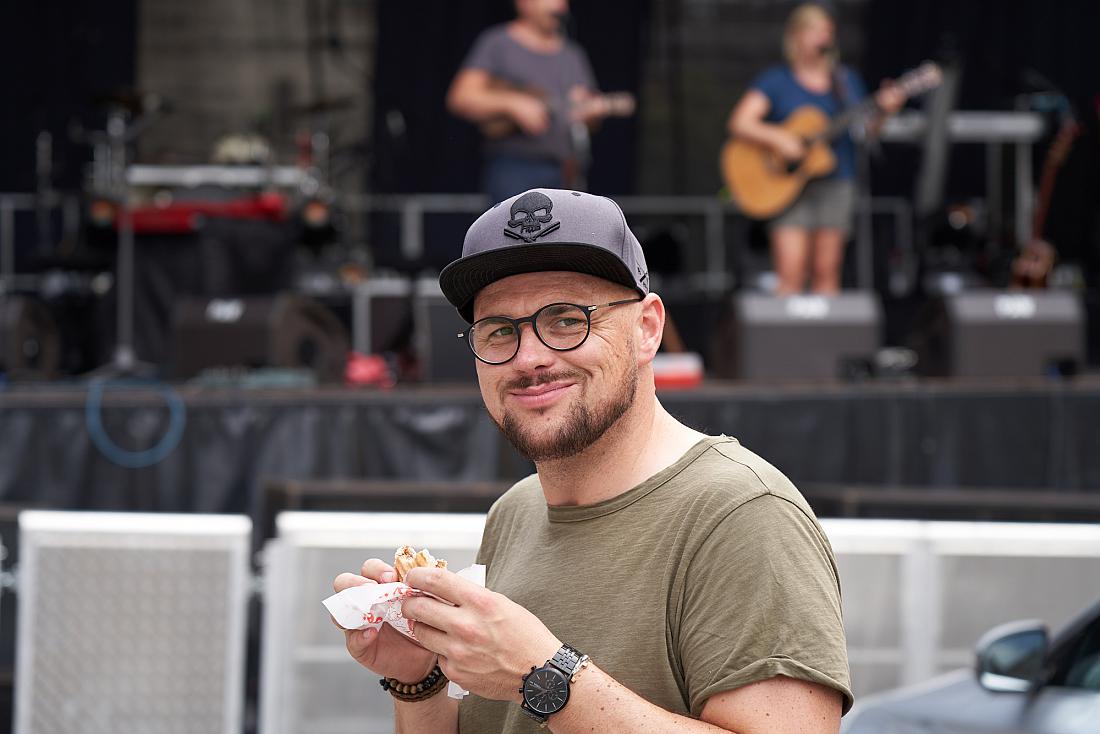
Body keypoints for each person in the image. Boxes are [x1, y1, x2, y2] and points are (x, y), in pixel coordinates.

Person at [333, 188, 852, 733]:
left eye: (566, 320)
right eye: (500, 331)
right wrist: (417, 681)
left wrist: (544, 677)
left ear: (647, 328)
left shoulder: (743, 514)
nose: (530, 358)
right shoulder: (516, 512)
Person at [727, 3, 903, 295]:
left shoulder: (845, 82)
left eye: (827, 31)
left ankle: (827, 340)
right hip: (786, 186)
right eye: (814, 30)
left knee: (827, 268)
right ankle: (785, 339)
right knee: (791, 270)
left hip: (836, 182)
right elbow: (740, 122)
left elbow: (866, 130)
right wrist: (780, 139)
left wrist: (884, 111)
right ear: (796, 36)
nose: (823, 37)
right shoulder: (777, 80)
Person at [446, 0, 616, 203]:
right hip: (514, 168)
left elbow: (587, 120)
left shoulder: (572, 54)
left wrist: (588, 112)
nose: (559, 7)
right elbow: (461, 97)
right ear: (524, 4)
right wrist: (512, 104)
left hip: (563, 170)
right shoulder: (498, 42)